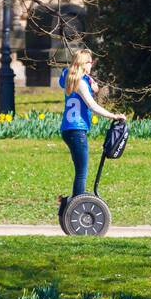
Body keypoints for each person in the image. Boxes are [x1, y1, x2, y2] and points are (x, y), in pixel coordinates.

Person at [59, 49, 125, 206]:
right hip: (77, 130)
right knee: (82, 171)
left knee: (80, 170)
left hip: (68, 129)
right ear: (83, 64)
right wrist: (113, 116)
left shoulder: (70, 79)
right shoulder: (81, 83)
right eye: (89, 62)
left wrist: (91, 85)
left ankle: (72, 203)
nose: (92, 64)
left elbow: (65, 76)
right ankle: (76, 205)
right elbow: (92, 106)